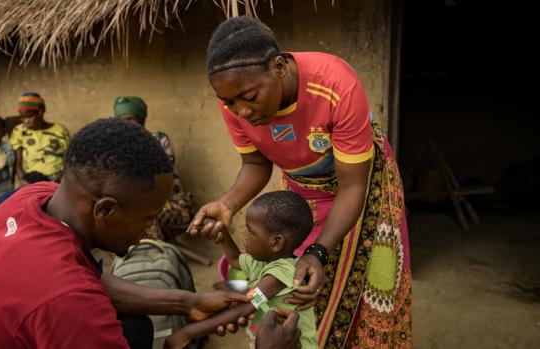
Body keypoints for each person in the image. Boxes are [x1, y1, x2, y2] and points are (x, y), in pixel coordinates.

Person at [0, 119, 250, 348]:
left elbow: (91, 281)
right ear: (104, 210)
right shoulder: (66, 299)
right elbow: (73, 291)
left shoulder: (33, 199)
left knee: (136, 330)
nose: (149, 229)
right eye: (146, 218)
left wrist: (187, 304)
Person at [188, 16, 412, 348]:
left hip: (364, 186)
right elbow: (255, 163)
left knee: (371, 286)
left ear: (278, 67)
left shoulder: (335, 84)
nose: (242, 112)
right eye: (229, 103)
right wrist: (227, 204)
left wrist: (319, 250)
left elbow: (353, 187)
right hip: (301, 190)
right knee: (299, 286)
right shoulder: (234, 101)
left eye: (249, 97)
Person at [166, 191, 318, 349]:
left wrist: (188, 332)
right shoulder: (261, 261)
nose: (245, 235)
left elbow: (247, 307)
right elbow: (233, 260)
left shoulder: (282, 272)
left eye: (251, 232)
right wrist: (223, 232)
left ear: (276, 243)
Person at [114, 96, 191, 240]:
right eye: (119, 120)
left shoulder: (158, 140)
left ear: (141, 119)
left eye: (129, 119)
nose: (124, 125)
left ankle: (152, 255)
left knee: (143, 211)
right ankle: (130, 257)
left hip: (170, 204)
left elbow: (157, 180)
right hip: (134, 206)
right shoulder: (116, 146)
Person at [9, 92, 70, 181]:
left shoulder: (60, 130)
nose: (26, 121)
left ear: (40, 113)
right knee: (4, 196)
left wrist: (60, 178)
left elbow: (69, 159)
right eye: (22, 117)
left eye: (29, 117)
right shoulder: (19, 131)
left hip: (57, 180)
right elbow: (18, 165)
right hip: (31, 181)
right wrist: (25, 182)